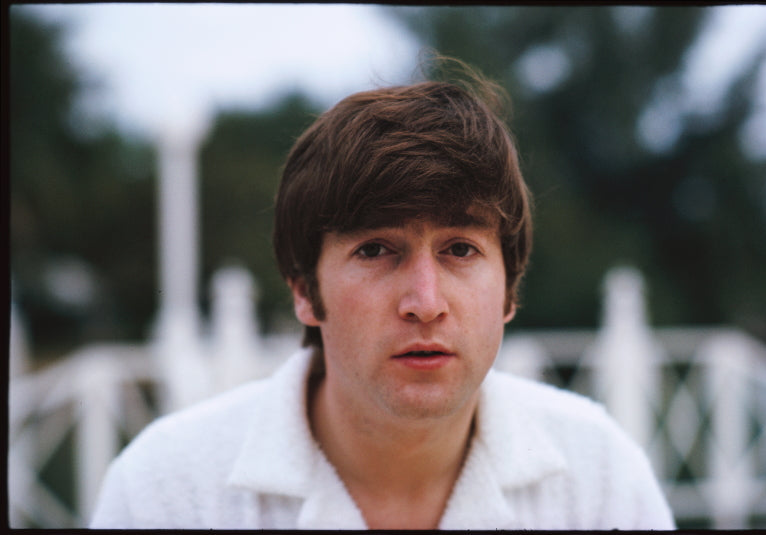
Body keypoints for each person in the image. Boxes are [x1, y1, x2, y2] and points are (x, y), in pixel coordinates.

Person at [90, 59, 675, 529]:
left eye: (460, 250)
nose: (425, 301)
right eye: (375, 250)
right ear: (303, 289)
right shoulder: (165, 491)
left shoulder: (600, 478)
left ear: (509, 290)